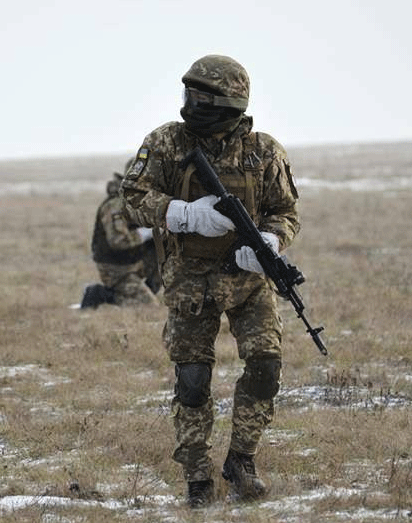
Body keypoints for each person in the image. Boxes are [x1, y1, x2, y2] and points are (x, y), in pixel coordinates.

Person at [120, 55, 300, 508]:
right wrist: (181, 214)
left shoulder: (264, 151)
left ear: (229, 103)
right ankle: (198, 476)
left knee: (266, 366)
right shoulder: (166, 142)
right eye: (189, 95)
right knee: (194, 381)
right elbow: (132, 198)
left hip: (249, 282)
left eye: (202, 97)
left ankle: (241, 460)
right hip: (189, 283)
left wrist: (271, 242)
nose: (191, 104)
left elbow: (286, 211)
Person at [80, 159, 159, 308]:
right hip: (116, 268)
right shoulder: (115, 205)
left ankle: (145, 290)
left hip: (133, 261)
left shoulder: (140, 199)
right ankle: (101, 294)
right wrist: (145, 234)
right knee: (149, 306)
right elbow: (118, 241)